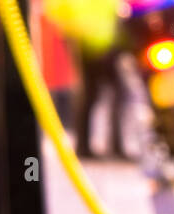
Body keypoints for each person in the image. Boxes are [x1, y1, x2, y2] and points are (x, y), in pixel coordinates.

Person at [43, 0, 128, 159]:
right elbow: (55, 11)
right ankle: (83, 147)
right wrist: (75, 32)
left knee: (118, 94)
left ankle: (115, 146)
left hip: (108, 41)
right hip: (84, 43)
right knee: (89, 95)